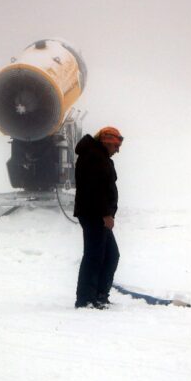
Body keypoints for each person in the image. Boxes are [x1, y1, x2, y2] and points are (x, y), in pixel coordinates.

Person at [73, 126, 123, 309]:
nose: (117, 150)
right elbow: (95, 189)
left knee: (110, 255)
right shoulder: (94, 156)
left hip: (98, 214)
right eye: (116, 146)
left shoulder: (99, 156)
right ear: (107, 142)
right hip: (94, 214)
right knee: (94, 256)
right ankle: (85, 299)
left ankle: (100, 295)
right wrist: (105, 214)